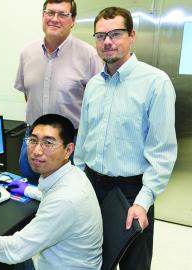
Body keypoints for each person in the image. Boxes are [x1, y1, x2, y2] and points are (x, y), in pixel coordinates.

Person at [73, 6, 178, 270]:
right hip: (93, 187)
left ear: (132, 35)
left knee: (134, 264)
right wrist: (77, 182)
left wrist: (143, 202)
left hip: (133, 191)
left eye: (116, 34)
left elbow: (162, 153)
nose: (107, 42)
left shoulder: (156, 83)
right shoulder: (94, 85)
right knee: (94, 258)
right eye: (100, 36)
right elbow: (84, 139)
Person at [0, 114, 103, 270]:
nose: (37, 151)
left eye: (48, 143)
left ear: (68, 150)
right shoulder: (74, 174)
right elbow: (54, 195)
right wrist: (29, 190)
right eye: (33, 140)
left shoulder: (66, 200)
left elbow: (15, 250)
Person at [14, 0, 102, 180]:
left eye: (62, 14)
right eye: (50, 13)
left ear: (73, 20)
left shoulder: (88, 55)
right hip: (32, 139)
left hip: (70, 142)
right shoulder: (27, 53)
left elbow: (99, 104)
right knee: (29, 193)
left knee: (67, 195)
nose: (55, 19)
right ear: (42, 16)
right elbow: (27, 94)